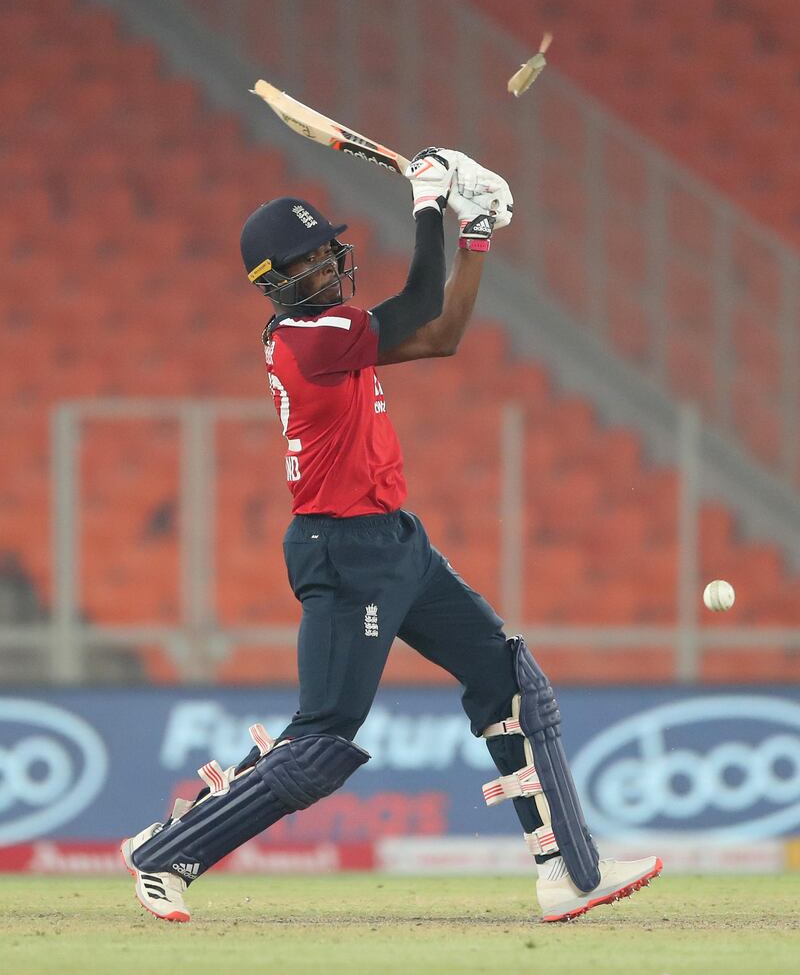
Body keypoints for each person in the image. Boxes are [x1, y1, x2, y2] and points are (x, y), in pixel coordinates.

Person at [122, 148, 661, 923]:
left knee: (509, 681)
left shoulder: (335, 333)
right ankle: (168, 854)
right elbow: (416, 301)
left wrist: (473, 232)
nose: (327, 264)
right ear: (275, 280)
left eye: (326, 250)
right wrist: (427, 203)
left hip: (396, 544)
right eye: (307, 259)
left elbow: (438, 335)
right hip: (346, 557)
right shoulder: (310, 339)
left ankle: (567, 871)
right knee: (324, 739)